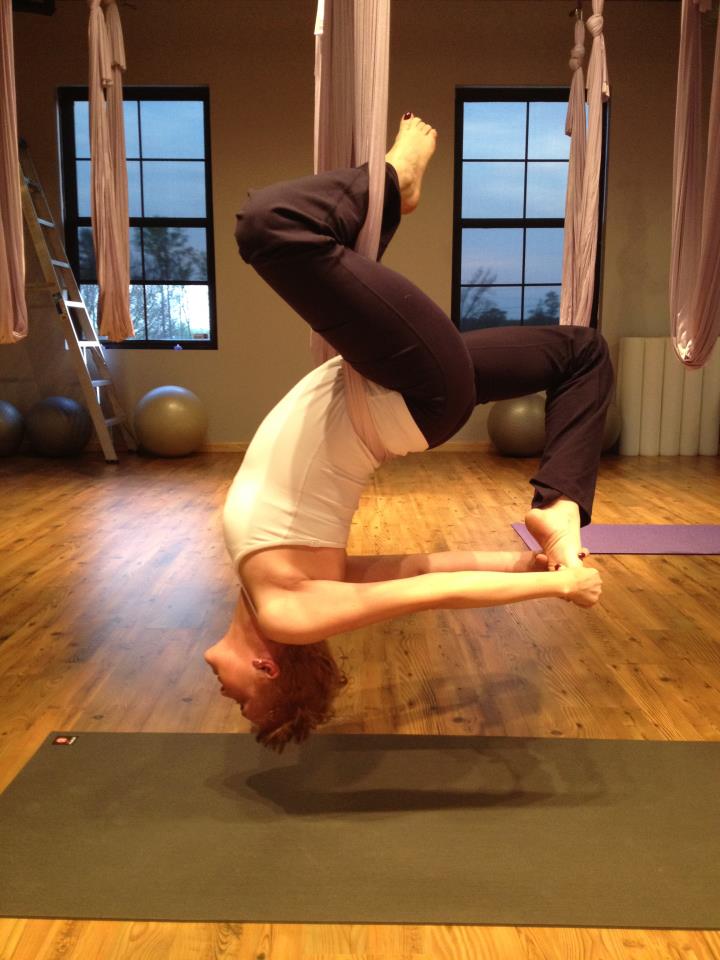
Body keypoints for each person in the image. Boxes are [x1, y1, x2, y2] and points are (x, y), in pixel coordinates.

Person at [204, 115, 614, 751]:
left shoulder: (282, 589)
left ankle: (557, 505)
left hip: (400, 392)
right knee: (271, 227)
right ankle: (393, 181)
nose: (226, 700)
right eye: (245, 704)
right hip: (405, 393)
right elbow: (430, 591)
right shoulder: (289, 612)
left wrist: (523, 562)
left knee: (582, 352)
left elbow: (416, 565)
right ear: (267, 668)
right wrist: (555, 583)